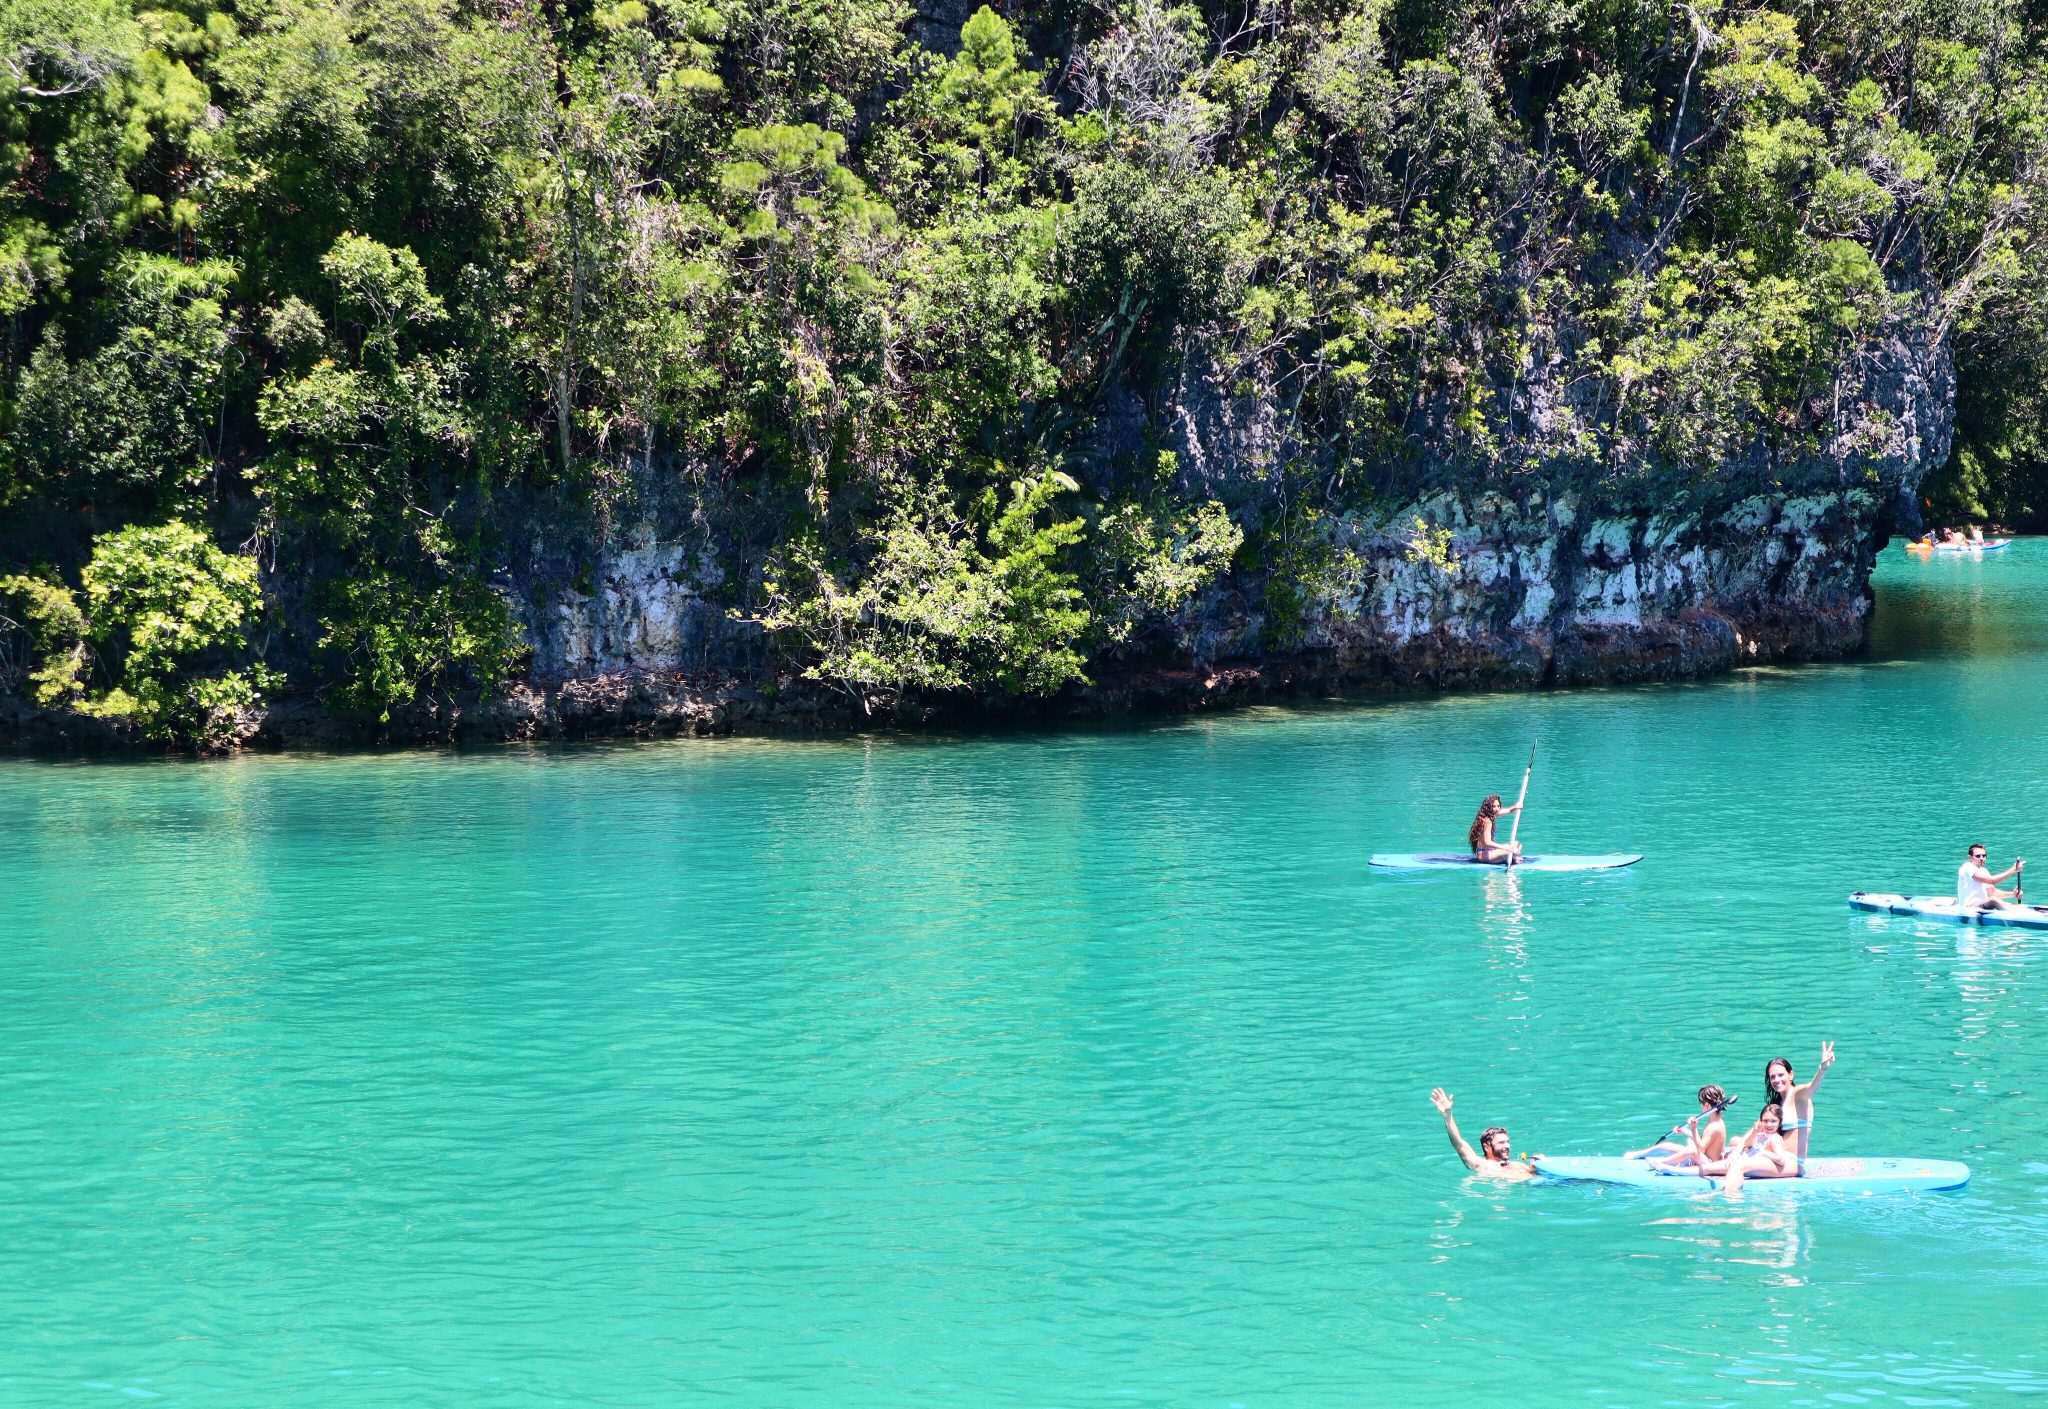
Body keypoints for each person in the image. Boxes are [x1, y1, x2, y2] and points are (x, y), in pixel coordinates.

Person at [1429, 1088, 1537, 1181]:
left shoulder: (1518, 1166)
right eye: (1501, 1142)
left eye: (1507, 1142)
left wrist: (1535, 1167)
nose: (1507, 1146)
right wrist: (1447, 1114)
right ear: (1487, 1147)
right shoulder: (1481, 1165)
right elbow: (1458, 1144)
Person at [1691, 1102, 1798, 1192]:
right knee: (1732, 1143)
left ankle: (1681, 1170)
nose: (1769, 1124)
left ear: (1779, 1123)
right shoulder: (1763, 1135)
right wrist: (1755, 1132)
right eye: (1765, 1121)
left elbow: (1781, 1159)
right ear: (1761, 1121)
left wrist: (1763, 1153)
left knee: (1707, 1168)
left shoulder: (1774, 1138)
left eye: (1773, 1121)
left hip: (1744, 1165)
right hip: (1742, 1161)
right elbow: (1746, 1144)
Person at [1765, 1042, 1834, 1176]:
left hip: (1791, 1163)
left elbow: (1812, 1087)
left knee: (1739, 1166)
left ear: (1791, 1075)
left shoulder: (1799, 1095)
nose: (1776, 1080)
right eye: (1772, 1076)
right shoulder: (1777, 1104)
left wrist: (1823, 1069)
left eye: (1781, 1075)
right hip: (1775, 1158)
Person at [1624, 1084, 1731, 1166]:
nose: (1700, 1106)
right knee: (1667, 1146)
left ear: (1707, 1104)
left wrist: (1694, 1128)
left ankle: (1662, 1162)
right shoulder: (1712, 1120)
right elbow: (1704, 1141)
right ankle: (1638, 1154)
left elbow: (1701, 1148)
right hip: (1702, 1157)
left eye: (1701, 1103)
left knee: (1691, 1149)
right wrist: (1685, 1131)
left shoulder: (1716, 1126)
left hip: (1709, 1163)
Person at [1959, 845, 2024, 910]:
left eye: (1984, 856)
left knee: (1995, 899)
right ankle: (2015, 913)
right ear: (1970, 858)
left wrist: (2012, 894)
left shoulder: (1984, 871)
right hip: (1969, 907)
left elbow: (1992, 893)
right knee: (1993, 899)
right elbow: (1992, 881)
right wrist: (2013, 870)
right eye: (1978, 856)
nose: (1981, 858)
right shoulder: (1967, 867)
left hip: (1983, 905)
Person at [1468, 794, 1523, 865]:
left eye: (1498, 806)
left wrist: (1516, 807)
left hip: (1491, 852)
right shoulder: (1487, 821)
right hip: (1485, 855)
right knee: (1511, 849)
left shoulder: (1490, 815)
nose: (1497, 808)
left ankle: (1511, 857)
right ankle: (1513, 858)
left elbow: (1509, 810)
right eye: (1494, 806)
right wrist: (1506, 848)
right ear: (1488, 807)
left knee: (1517, 844)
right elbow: (1487, 842)